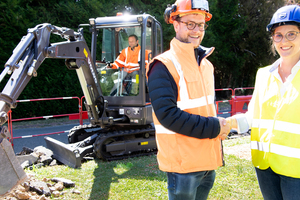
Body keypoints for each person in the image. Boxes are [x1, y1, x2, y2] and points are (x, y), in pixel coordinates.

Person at [147, 0, 231, 199]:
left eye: (200, 25)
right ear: (176, 24)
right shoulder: (163, 65)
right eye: (190, 24)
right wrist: (215, 127)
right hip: (183, 166)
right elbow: (168, 115)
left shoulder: (206, 65)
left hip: (207, 161)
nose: (196, 30)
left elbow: (205, 110)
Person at [227, 4, 300, 200]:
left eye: (291, 34)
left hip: (297, 171)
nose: (283, 41)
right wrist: (227, 124)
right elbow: (254, 116)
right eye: (278, 35)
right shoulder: (263, 75)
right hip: (265, 166)